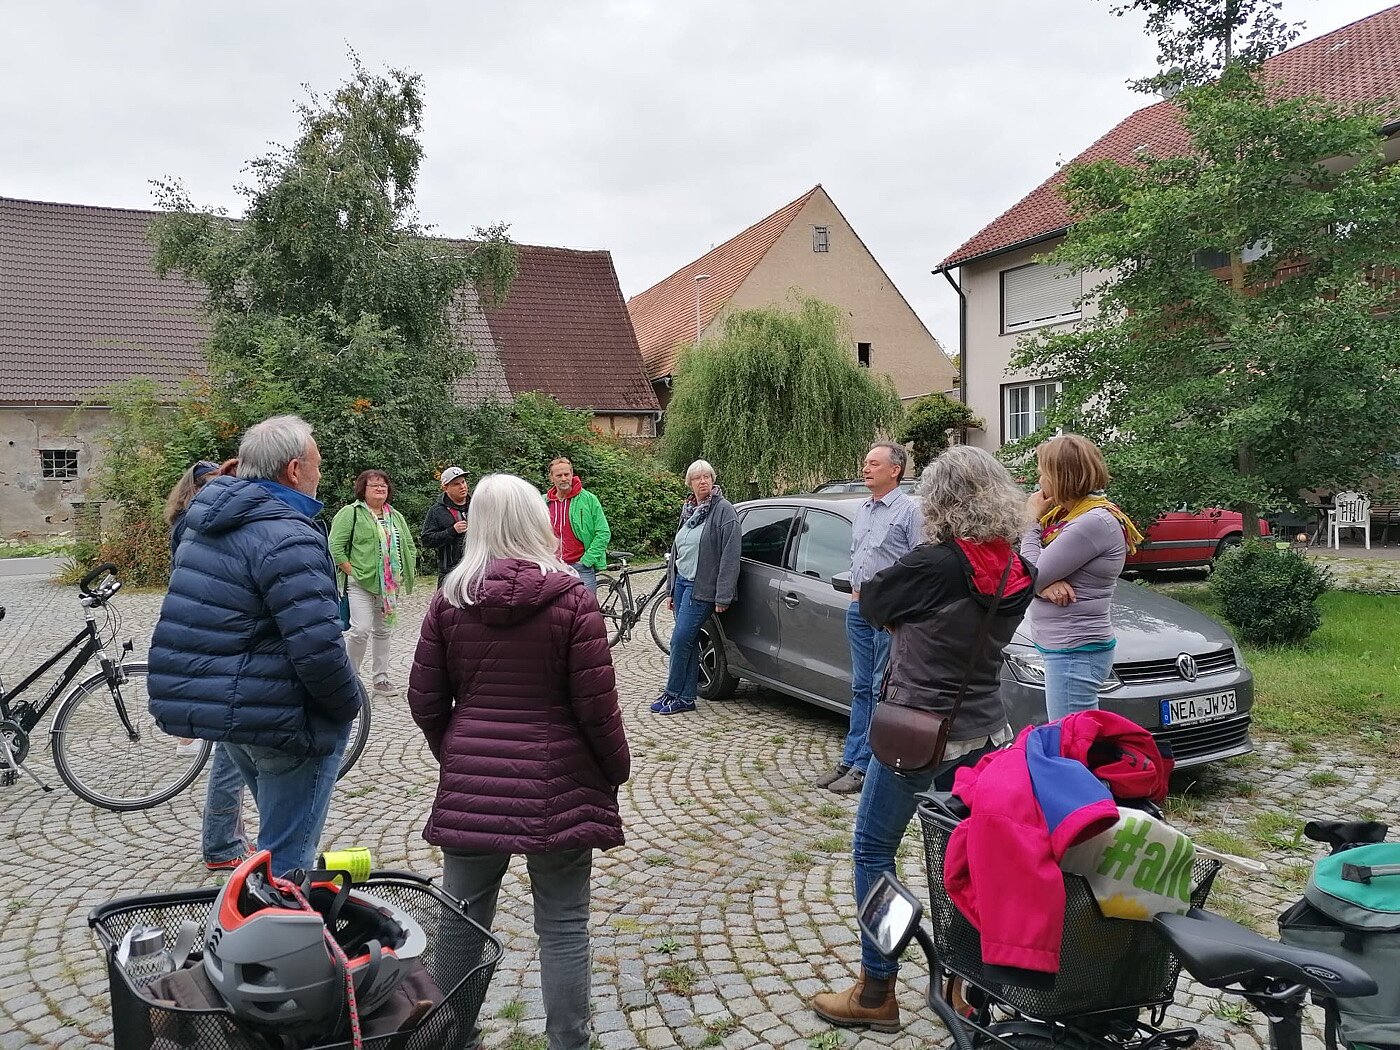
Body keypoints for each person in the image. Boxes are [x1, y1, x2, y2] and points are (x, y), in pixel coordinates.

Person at [811, 445, 1036, 1034]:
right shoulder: (1018, 567)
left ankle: (876, 987)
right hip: (985, 733)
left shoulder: (934, 564)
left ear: (938, 501)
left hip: (918, 733)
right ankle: (968, 984)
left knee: (872, 849)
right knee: (967, 860)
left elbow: (873, 600)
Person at [407, 473, 630, 1050]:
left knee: (460, 921)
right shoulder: (573, 600)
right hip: (559, 784)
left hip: (473, 783)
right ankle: (569, 1043)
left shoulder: (450, 601)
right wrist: (613, 771)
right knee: (561, 926)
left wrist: (456, 754)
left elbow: (425, 699)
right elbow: (597, 707)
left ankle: (447, 1037)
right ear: (536, 521)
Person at [148, 415, 362, 877]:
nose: (319, 474)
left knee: (269, 852)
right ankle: (270, 944)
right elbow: (319, 648)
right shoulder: (289, 533)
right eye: (317, 465)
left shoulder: (204, 523)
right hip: (280, 716)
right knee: (286, 864)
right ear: (293, 470)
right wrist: (346, 706)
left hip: (231, 713)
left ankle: (254, 938)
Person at [164, 458, 255, 871]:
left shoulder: (190, 521)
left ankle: (224, 840)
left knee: (230, 745)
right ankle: (221, 844)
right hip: (218, 643)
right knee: (231, 746)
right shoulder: (202, 524)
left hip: (204, 639)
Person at [817, 442, 922, 795]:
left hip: (890, 616)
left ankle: (867, 766)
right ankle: (851, 758)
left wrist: (901, 610)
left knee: (880, 689)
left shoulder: (909, 512)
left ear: (895, 470)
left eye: (874, 464)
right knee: (861, 687)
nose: (866, 469)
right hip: (859, 609)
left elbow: (920, 567)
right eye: (865, 463)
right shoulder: (863, 509)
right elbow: (858, 558)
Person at [1021, 434, 1143, 721]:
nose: (1039, 482)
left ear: (1059, 477)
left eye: (1042, 474)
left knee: (1070, 743)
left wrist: (1030, 522)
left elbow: (1029, 574)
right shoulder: (1068, 517)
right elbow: (1028, 571)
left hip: (1075, 650)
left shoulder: (1091, 522)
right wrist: (1043, 584)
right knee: (1074, 739)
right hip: (1068, 648)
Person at [650, 460, 740, 716]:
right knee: (687, 641)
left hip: (702, 588)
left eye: (707, 477)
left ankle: (672, 692)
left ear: (713, 480)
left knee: (679, 640)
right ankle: (686, 696)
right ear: (689, 483)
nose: (703, 482)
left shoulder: (724, 511)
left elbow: (730, 555)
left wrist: (723, 595)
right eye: (697, 478)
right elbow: (678, 551)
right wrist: (670, 590)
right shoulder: (689, 510)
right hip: (682, 584)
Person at [329, 470, 418, 693]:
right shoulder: (351, 513)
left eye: (384, 486)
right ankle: (351, 677)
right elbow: (335, 546)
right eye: (374, 485)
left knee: (383, 631)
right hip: (361, 583)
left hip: (389, 586)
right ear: (362, 489)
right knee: (360, 630)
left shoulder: (395, 516)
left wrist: (405, 572)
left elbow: (408, 545)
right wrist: (351, 571)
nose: (380, 489)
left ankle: (381, 678)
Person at [545, 457, 610, 594]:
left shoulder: (589, 499)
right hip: (552, 567)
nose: (563, 478)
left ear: (572, 474)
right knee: (556, 612)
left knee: (586, 611)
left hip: (581, 567)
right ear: (551, 478)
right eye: (559, 475)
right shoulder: (543, 502)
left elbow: (603, 532)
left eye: (566, 474)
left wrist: (587, 560)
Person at [419, 465, 471, 583]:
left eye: (463, 482)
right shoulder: (437, 511)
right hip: (450, 572)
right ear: (445, 488)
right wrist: (451, 531)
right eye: (456, 484)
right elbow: (426, 540)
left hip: (476, 568)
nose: (462, 486)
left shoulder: (477, 505)